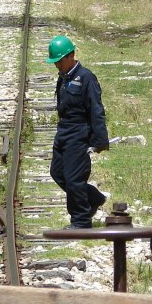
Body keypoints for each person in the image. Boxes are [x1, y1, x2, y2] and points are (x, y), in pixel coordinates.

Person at [47, 35, 110, 229]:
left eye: (59, 61)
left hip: (78, 135)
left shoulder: (86, 78)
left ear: (70, 56)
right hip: (63, 133)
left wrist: (100, 140)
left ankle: (81, 220)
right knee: (57, 173)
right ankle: (93, 197)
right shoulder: (63, 78)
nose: (57, 65)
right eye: (55, 62)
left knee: (75, 179)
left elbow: (96, 110)